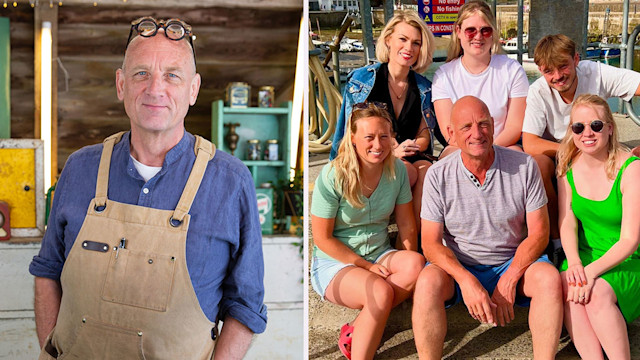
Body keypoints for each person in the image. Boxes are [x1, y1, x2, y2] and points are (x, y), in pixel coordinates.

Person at [29, 17, 266, 359]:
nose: (155, 89)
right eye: (141, 73)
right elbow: (47, 272)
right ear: (121, 84)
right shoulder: (80, 168)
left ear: (193, 89)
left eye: (172, 75)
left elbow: (245, 305)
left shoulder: (230, 181)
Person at [412, 96, 563, 360]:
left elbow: (539, 233)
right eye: (466, 127)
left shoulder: (525, 166)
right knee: (426, 282)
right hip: (461, 264)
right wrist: (466, 280)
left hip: (510, 260)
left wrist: (509, 277)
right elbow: (430, 244)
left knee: (548, 279)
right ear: (451, 134)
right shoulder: (438, 175)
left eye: (483, 124)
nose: (476, 133)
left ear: (493, 125)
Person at [312, 102, 425, 360]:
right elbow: (322, 238)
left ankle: (357, 329)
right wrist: (365, 266)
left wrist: (408, 268)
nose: (378, 144)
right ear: (352, 139)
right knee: (380, 292)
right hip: (335, 262)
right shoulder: (332, 176)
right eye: (369, 137)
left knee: (416, 265)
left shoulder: (396, 170)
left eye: (384, 136)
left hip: (379, 251)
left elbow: (406, 224)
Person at [522, 33, 640, 245]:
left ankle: (624, 234)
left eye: (563, 66)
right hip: (564, 153)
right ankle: (557, 241)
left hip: (598, 149)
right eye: (549, 71)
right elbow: (530, 143)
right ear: (540, 71)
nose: (557, 76)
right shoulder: (537, 91)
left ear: (576, 60)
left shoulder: (596, 72)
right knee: (537, 165)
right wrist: (574, 150)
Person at [330, 10, 436, 231]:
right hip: (372, 154)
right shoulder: (363, 81)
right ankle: (400, 237)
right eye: (403, 39)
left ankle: (418, 240)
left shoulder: (424, 87)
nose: (409, 48)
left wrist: (412, 146)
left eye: (416, 43)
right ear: (388, 40)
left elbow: (425, 134)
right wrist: (391, 150)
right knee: (405, 171)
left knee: (428, 172)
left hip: (412, 155)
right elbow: (350, 132)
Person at [556, 94, 640, 360]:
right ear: (572, 131)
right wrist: (575, 263)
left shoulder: (631, 169)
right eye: (578, 127)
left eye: (596, 125)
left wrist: (589, 272)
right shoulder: (567, 167)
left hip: (627, 260)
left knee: (597, 293)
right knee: (566, 284)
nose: (587, 133)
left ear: (610, 128)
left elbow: (629, 240)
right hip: (584, 256)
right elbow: (567, 222)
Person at [432, 0, 528, 158]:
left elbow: (514, 127)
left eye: (485, 31)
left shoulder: (512, 70)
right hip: (461, 148)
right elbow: (450, 133)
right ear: (459, 31)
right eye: (471, 30)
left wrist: (487, 149)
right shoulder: (443, 76)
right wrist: (476, 150)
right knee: (447, 158)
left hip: (502, 146)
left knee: (519, 157)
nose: (478, 36)